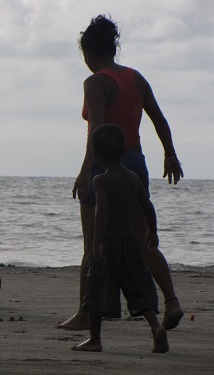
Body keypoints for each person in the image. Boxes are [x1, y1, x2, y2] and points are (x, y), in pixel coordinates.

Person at [57, 15, 184, 330]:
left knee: (92, 244)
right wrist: (170, 154)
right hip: (136, 163)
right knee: (144, 240)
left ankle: (86, 313)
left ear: (88, 53)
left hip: (105, 164)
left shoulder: (95, 82)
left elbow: (97, 130)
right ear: (112, 48)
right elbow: (159, 119)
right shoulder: (135, 77)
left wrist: (86, 171)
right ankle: (171, 301)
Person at [72, 124, 169, 353]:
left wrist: (96, 243)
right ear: (123, 150)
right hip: (131, 244)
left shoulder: (100, 181)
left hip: (107, 245)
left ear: (96, 153)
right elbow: (147, 206)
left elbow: (102, 211)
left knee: (96, 291)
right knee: (138, 288)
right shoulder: (133, 178)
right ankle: (156, 327)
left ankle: (95, 340)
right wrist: (152, 231)